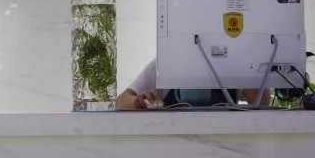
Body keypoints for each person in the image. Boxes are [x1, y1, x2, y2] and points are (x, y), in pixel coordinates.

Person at [115, 58, 269, 110]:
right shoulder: (164, 63)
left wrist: (249, 59)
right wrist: (138, 101)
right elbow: (121, 102)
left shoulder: (231, 64)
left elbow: (262, 103)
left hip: (224, 150)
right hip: (174, 149)